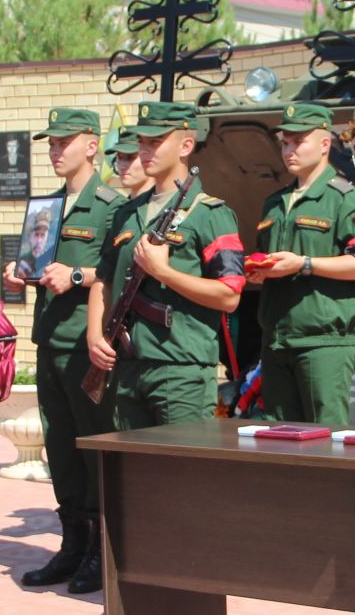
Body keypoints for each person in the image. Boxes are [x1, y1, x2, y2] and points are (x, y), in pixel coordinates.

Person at [6, 108, 124, 593]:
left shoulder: (112, 205)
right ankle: (72, 545)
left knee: (94, 446)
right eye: (51, 143)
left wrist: (76, 276)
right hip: (50, 338)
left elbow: (121, 269)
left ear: (91, 145)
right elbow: (37, 259)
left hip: (85, 343)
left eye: (64, 142)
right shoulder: (46, 206)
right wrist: (23, 271)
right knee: (60, 446)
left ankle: (102, 550)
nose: (56, 151)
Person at [87, 100, 245, 431]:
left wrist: (164, 273)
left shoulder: (211, 214)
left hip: (181, 370)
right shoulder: (125, 214)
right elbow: (104, 279)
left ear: (186, 145)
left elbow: (229, 295)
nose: (145, 150)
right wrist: (95, 335)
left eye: (155, 142)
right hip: (128, 366)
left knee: (184, 475)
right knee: (134, 475)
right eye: (142, 142)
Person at [251, 103, 355, 425]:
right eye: (285, 142)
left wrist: (304, 264)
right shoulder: (275, 203)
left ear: (325, 144)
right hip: (277, 338)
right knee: (278, 439)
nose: (289, 150)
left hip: (323, 343)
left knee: (327, 439)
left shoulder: (345, 199)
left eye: (298, 141)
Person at [109, 126, 152, 198]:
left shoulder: (168, 206)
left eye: (131, 157)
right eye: (120, 157)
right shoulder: (121, 208)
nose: (122, 166)